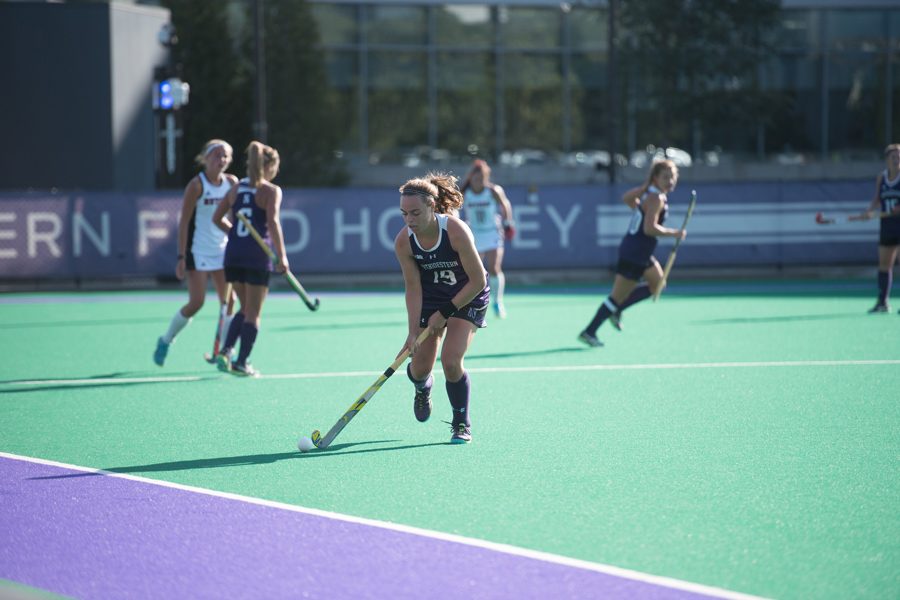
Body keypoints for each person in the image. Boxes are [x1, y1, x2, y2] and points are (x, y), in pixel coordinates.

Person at [395, 173, 490, 444]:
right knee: (420, 367)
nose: (409, 220)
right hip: (432, 297)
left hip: (468, 294)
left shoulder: (455, 231)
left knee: (450, 360)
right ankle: (422, 387)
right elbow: (413, 288)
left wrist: (446, 312)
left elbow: (478, 280)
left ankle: (461, 422)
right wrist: (413, 333)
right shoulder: (404, 242)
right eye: (404, 214)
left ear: (432, 206)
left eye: (415, 212)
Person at [578, 159, 686, 347]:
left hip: (641, 253)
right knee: (615, 297)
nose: (670, 181)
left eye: (673, 177)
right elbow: (649, 229)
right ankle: (590, 331)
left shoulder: (651, 195)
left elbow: (627, 198)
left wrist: (645, 187)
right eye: (665, 177)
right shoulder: (655, 199)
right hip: (634, 253)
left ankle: (617, 310)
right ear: (655, 178)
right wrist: (674, 233)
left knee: (658, 284)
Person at [154, 140, 238, 366]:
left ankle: (226, 351)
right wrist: (181, 256)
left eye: (225, 156)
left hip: (223, 251)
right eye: (217, 155)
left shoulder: (231, 183)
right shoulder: (196, 185)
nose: (221, 160)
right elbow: (184, 223)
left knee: (229, 302)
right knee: (196, 303)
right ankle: (166, 339)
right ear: (206, 158)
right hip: (199, 251)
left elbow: (234, 217)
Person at [211, 141, 288, 377]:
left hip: (233, 254)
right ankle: (241, 362)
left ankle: (225, 351)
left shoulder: (235, 189)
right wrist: (281, 256)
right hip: (256, 255)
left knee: (244, 307)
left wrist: (235, 235)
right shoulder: (271, 191)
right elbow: (273, 223)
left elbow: (217, 218)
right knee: (253, 312)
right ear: (270, 166)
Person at [460, 159, 515, 318]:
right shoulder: (466, 192)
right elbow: (454, 208)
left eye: (482, 178)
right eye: (476, 178)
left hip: (492, 232)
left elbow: (505, 205)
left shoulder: (493, 191)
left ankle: (498, 302)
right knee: (475, 271)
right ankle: (474, 302)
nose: (479, 182)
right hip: (474, 234)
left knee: (494, 268)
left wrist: (508, 223)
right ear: (471, 178)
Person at [859, 143, 900, 313]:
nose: (897, 159)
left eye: (899, 156)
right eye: (894, 156)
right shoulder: (881, 178)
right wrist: (868, 211)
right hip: (887, 226)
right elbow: (877, 199)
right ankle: (883, 302)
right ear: (887, 159)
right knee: (884, 264)